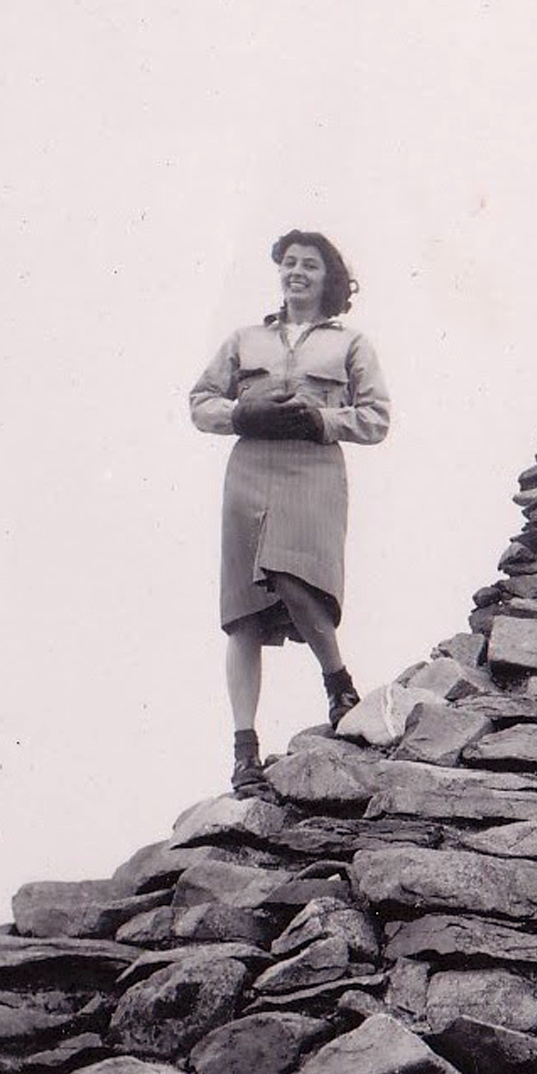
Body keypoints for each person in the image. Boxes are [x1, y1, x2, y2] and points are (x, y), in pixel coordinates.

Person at [190, 231, 391, 797]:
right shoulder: (244, 339)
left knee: (293, 575)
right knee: (243, 613)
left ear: (330, 279)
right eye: (290, 263)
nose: (297, 272)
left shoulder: (350, 344)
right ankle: (244, 750)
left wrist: (323, 420)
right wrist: (241, 411)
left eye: (310, 265)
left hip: (313, 470)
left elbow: (376, 418)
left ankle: (337, 679)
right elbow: (200, 403)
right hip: (250, 470)